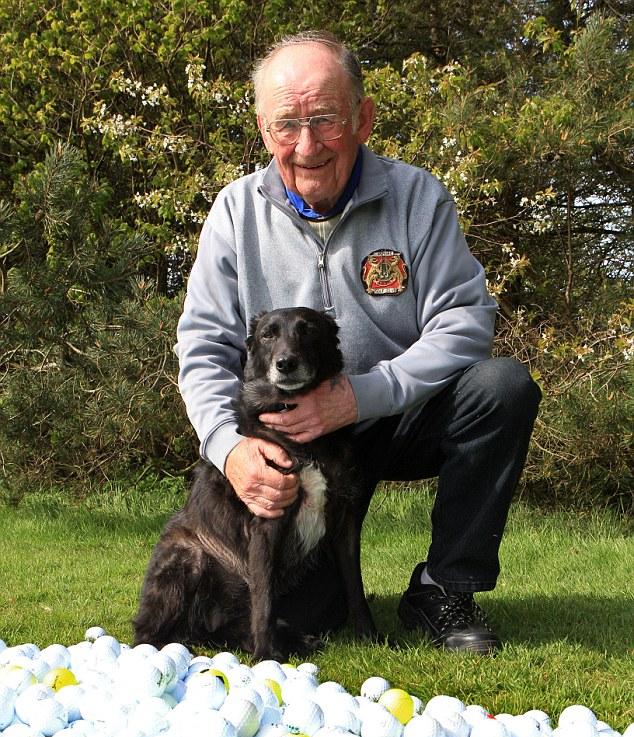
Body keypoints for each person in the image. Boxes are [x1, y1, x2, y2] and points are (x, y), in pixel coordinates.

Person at [175, 30, 541, 654]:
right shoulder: (234, 213)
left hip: (398, 419)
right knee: (309, 619)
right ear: (264, 130)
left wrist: (361, 396)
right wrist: (230, 448)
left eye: (325, 119)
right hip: (291, 442)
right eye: (287, 124)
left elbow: (466, 320)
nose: (307, 145)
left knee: (501, 388)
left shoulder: (418, 197)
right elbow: (204, 348)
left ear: (362, 118)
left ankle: (445, 589)